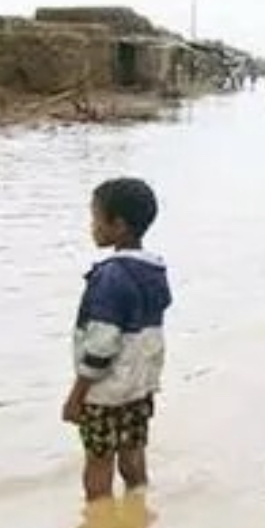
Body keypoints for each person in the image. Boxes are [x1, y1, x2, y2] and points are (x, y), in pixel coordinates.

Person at [64, 178, 173, 501]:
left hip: (104, 392)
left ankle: (99, 525)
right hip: (140, 386)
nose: (92, 226)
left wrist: (77, 396)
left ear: (119, 225)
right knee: (133, 452)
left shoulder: (109, 277)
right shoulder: (155, 271)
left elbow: (102, 345)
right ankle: (138, 508)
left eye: (96, 218)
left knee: (98, 461)